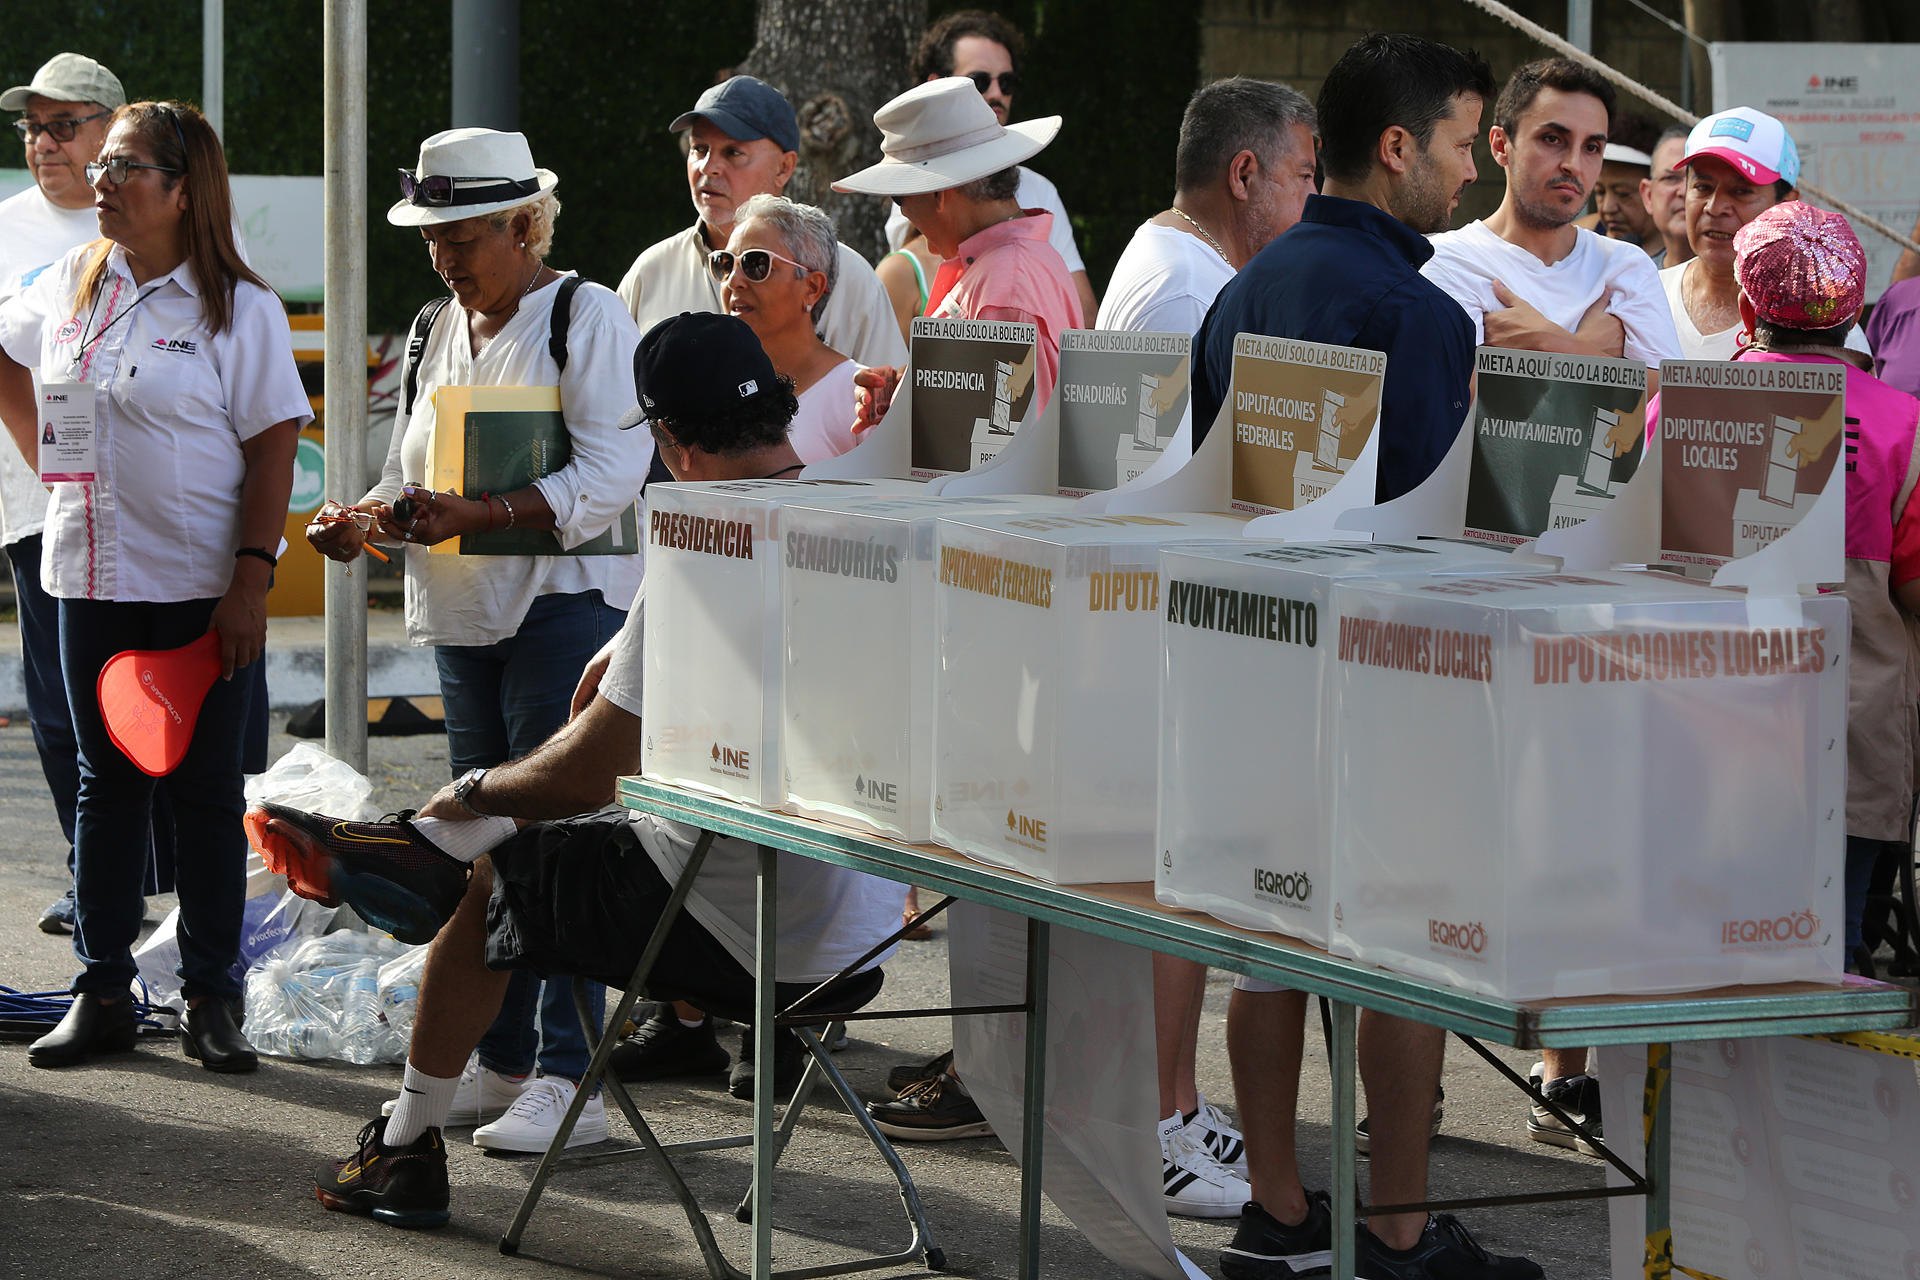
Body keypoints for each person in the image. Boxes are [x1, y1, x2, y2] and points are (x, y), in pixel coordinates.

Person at [246, 312, 905, 1230]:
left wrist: (470, 791)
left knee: (502, 875)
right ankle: (420, 848)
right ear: (782, 410)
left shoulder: (709, 540)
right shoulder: (861, 515)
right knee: (555, 829)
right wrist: (628, 654)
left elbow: (596, 768)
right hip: (862, 933)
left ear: (669, 440)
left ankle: (404, 1140)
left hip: (744, 927)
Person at [1194, 36, 1541, 1280]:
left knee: (1273, 938)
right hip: (1394, 685)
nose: (1466, 175)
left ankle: (1279, 1208)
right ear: (1395, 148)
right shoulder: (1415, 308)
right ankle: (1396, 1227)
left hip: (1259, 669)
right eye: (1461, 145)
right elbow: (1450, 537)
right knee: (1403, 951)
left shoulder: (1246, 287)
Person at [304, 127, 648, 1154]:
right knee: (476, 842)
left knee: (551, 839)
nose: (447, 257)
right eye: (433, 237)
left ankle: (565, 1069)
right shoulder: (429, 328)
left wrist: (481, 513)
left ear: (522, 223)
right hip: (464, 613)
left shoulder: (587, 313)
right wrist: (360, 518)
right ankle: (498, 1057)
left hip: (562, 607)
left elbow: (614, 473)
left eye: (463, 235)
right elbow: (412, 468)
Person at [0, 101, 310, 1073]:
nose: (101, 181)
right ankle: (102, 992)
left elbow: (273, 448)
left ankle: (211, 997)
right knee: (107, 788)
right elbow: (7, 358)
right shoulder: (69, 282)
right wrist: (44, 462)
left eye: (125, 167)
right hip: (86, 575)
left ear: (185, 192)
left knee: (207, 793)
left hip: (198, 586)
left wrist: (250, 580)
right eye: (105, 167)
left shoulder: (237, 308)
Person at [1098, 73, 1318, 1219]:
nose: (1309, 198)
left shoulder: (1177, 264)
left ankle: (1171, 1105)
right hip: (1170, 624)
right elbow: (1187, 482)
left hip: (1167, 619)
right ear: (1246, 174)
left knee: (1180, 882)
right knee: (1175, 886)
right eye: (1301, 175)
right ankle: (1161, 1119)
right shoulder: (1186, 287)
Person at [1728, 204, 1920, 977]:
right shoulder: (1904, 426)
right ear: (1854, 317)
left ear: (1747, 308)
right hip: (1854, 751)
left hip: (1702, 747)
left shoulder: (1681, 408)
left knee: (1699, 967)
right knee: (1826, 976)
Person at [837, 76, 1082, 447]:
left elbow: (1003, 452)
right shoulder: (1013, 266)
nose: (903, 214)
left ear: (938, 194)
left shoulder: (1005, 285)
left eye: (899, 198)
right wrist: (910, 392)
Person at [618, 76, 905, 373]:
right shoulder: (651, 272)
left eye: (733, 152)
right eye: (699, 149)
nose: (708, 167)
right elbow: (614, 399)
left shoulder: (849, 277)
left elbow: (891, 405)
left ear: (784, 167)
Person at [1421, 59, 1680, 369]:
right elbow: (1459, 399)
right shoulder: (1447, 262)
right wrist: (1595, 354)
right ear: (1501, 145)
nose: (1573, 163)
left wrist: (1554, 344)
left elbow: (1668, 403)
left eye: (1592, 147)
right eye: (1553, 139)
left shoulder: (1628, 267)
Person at [891, 9, 1099, 325]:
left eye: (1007, 82)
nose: (996, 93)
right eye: (979, 80)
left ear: (941, 195)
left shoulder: (1039, 193)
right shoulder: (917, 187)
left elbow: (1080, 315)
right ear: (936, 85)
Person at [1658, 106, 1870, 363]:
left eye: (1741, 192)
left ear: (1788, 204)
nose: (1714, 208)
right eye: (1702, 187)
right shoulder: (1645, 293)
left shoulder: (1822, 325)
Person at [711, 194, 860, 462]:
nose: (734, 281)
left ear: (812, 288)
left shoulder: (860, 398)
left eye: (755, 264)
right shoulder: (713, 387)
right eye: (725, 263)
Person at [1639, 126, 1691, 268]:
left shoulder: (1750, 282)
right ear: (1648, 196)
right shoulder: (1634, 281)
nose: (1684, 191)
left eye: (1697, 181)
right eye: (1671, 178)